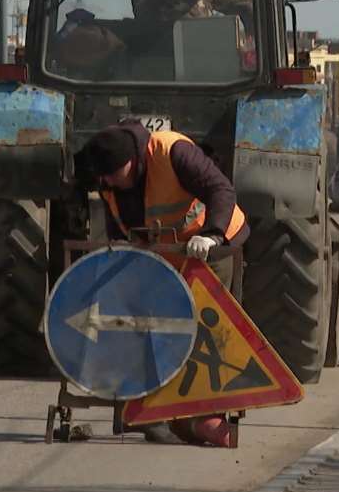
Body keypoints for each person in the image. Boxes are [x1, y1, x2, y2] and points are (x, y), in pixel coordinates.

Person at [77, 120, 249, 447]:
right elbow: (119, 226)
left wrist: (212, 234)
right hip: (165, 254)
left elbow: (221, 190)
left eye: (114, 173)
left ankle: (205, 412)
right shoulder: (111, 179)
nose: (109, 181)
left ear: (133, 159)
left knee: (205, 327)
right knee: (149, 324)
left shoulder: (173, 151)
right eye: (104, 177)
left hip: (211, 247)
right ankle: (154, 413)